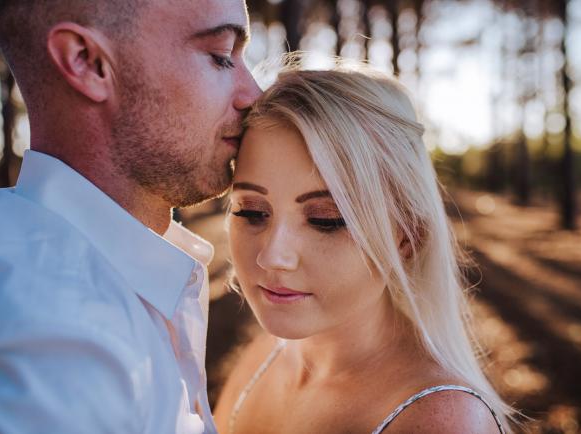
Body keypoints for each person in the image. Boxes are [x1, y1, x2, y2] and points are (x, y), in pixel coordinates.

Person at [0, 0, 260, 432]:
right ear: (87, 62)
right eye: (220, 56)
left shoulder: (111, 275)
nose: (254, 93)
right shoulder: (55, 358)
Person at [214, 65, 516, 433]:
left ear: (406, 236)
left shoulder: (440, 421)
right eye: (252, 211)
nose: (273, 255)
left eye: (326, 219)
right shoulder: (263, 356)